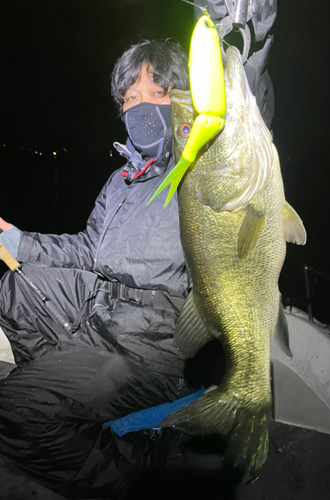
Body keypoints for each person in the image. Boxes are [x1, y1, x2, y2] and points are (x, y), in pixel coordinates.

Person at [0, 2, 278, 499]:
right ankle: (76, 406)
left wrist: (236, 22)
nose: (140, 105)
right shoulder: (121, 180)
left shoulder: (202, 160)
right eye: (129, 96)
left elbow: (244, 88)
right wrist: (13, 238)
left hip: (157, 342)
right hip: (102, 311)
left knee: (13, 410)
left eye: (157, 91)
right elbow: (88, 249)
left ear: (184, 98)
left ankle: (136, 471)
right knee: (18, 286)